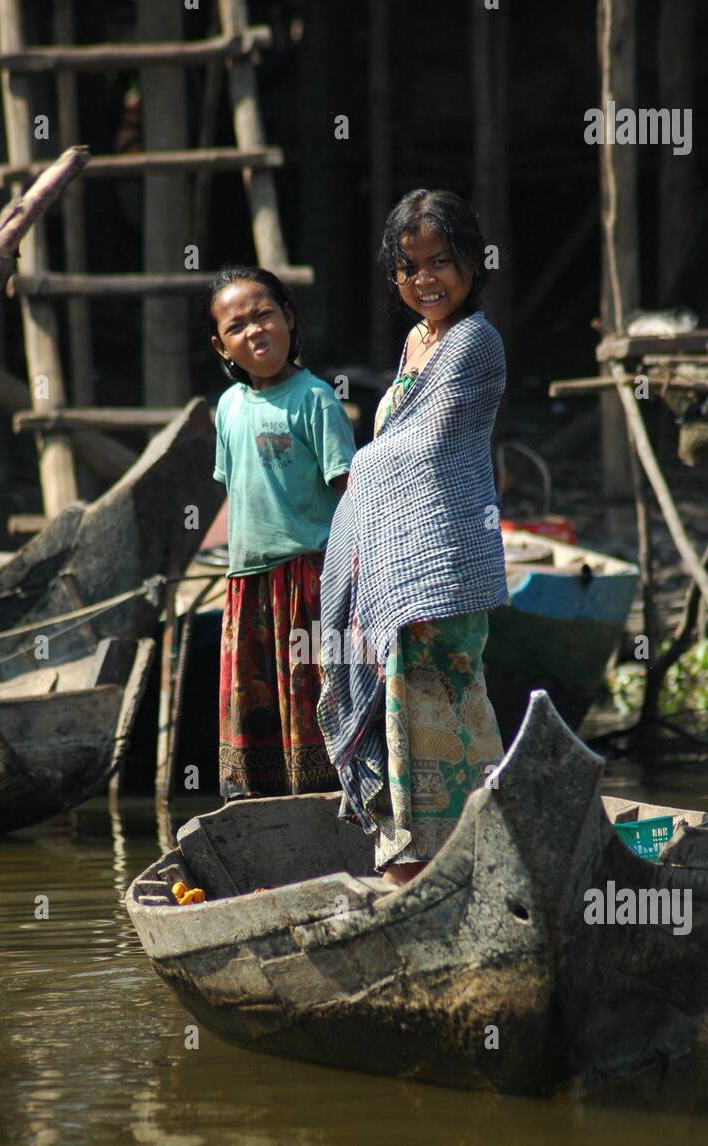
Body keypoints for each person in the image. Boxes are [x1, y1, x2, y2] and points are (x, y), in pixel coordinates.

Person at [318, 190, 507, 887]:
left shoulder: (475, 342)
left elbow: (422, 453)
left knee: (450, 718)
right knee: (402, 725)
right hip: (393, 565)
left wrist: (359, 470)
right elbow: (397, 448)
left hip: (442, 566)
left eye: (441, 262)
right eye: (410, 266)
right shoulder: (415, 341)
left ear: (470, 264)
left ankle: (476, 858)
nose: (426, 279)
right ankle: (412, 867)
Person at [208, 266, 354, 799]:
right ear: (220, 344)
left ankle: (329, 809)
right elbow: (236, 492)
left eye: (265, 314)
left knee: (313, 699)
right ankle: (260, 817)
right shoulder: (227, 408)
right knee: (253, 708)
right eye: (237, 325)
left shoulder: (315, 397)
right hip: (245, 585)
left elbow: (350, 493)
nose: (255, 331)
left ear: (288, 317)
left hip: (307, 580)